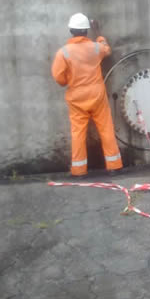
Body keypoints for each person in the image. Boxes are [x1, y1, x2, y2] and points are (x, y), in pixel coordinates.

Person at [51, 13, 123, 177]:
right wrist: (99, 35)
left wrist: (66, 81)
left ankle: (79, 170)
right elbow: (106, 49)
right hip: (97, 94)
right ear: (86, 31)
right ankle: (114, 165)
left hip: (76, 97)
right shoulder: (95, 47)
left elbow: (58, 77)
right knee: (106, 129)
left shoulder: (64, 53)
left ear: (71, 30)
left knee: (78, 133)